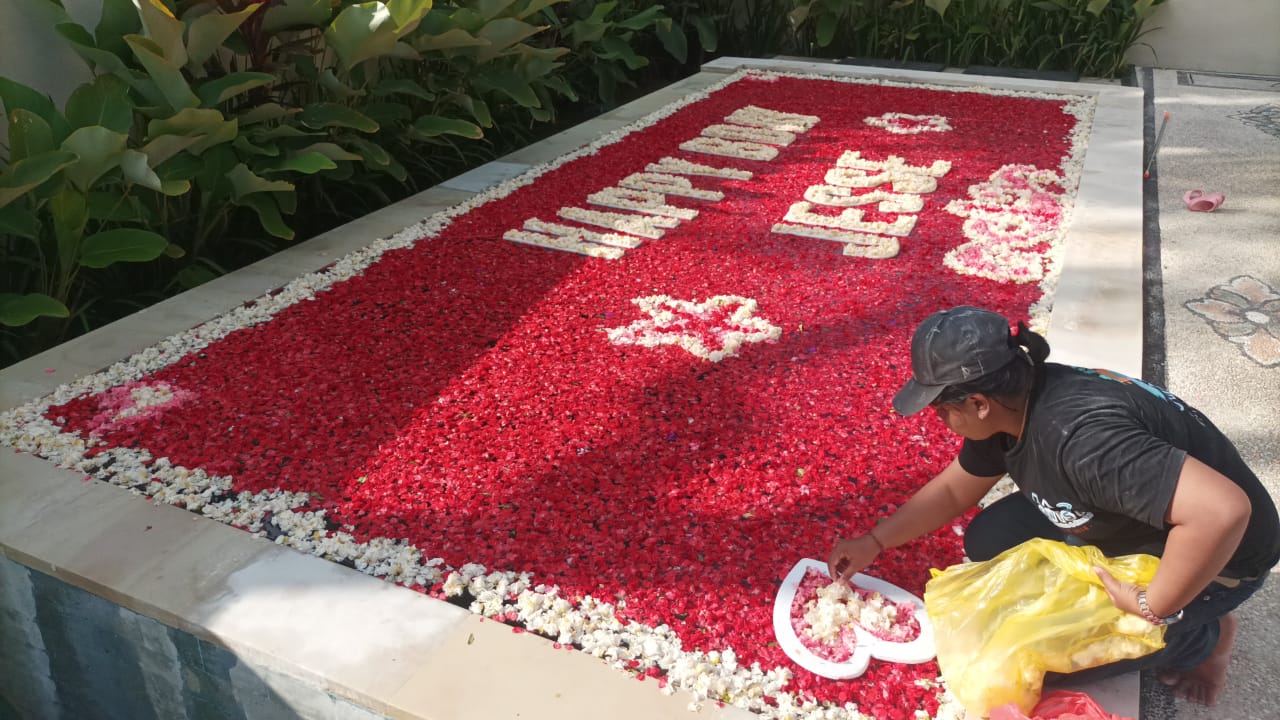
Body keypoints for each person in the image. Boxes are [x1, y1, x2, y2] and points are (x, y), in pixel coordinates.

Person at [827, 306, 1279, 706]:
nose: (938, 419)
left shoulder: (1083, 442)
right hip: (1139, 519)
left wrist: (1151, 602)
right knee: (990, 539)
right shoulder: (1015, 398)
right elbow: (953, 490)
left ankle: (1204, 635)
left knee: (1045, 667)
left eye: (939, 408)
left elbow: (1224, 512)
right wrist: (874, 541)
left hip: (1223, 556)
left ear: (978, 403)